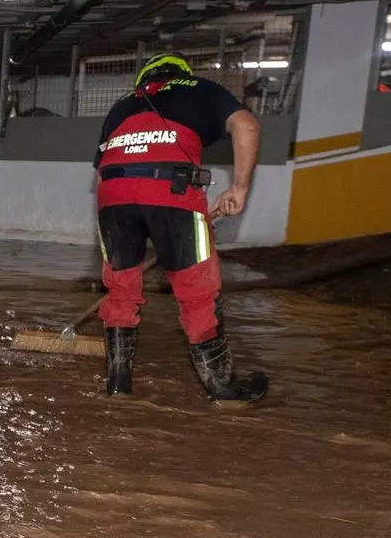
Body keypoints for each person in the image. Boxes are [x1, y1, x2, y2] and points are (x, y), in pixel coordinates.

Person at [94, 52, 267, 404]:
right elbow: (247, 126)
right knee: (197, 289)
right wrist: (239, 188)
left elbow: (100, 168)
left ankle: (118, 387)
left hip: (112, 196)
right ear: (182, 73)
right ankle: (221, 389)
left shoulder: (123, 104)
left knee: (121, 289)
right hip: (172, 192)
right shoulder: (200, 88)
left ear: (144, 78)